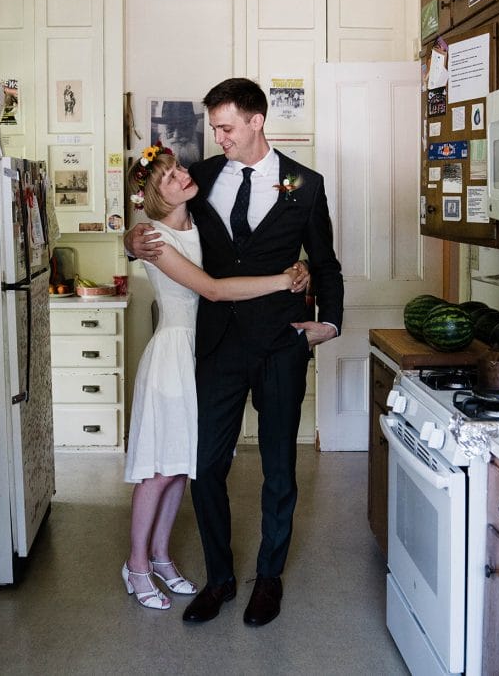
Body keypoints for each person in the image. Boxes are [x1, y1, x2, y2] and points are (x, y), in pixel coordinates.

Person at [126, 77, 344, 627]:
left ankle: (268, 578)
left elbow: (325, 263)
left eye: (225, 127)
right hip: (215, 346)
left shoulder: (304, 184)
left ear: (256, 122)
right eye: (214, 128)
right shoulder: (198, 177)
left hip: (280, 346)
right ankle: (219, 579)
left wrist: (330, 322)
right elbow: (155, 219)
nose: (218, 138)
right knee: (205, 467)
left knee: (278, 469)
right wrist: (129, 240)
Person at [121, 143, 309, 611]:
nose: (181, 176)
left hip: (201, 353)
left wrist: (301, 267)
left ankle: (162, 557)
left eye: (178, 168)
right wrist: (284, 281)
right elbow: (213, 289)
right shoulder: (156, 238)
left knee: (184, 465)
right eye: (167, 178)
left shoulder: (197, 219)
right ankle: (136, 565)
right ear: (154, 196)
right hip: (172, 353)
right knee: (159, 471)